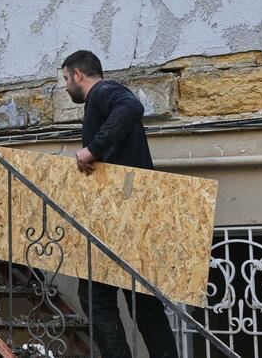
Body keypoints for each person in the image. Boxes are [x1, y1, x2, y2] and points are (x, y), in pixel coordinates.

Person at [61, 50, 178, 358]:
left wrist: (92, 149)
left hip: (119, 215)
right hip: (131, 213)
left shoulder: (102, 92)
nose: (65, 87)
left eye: (65, 79)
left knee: (95, 298)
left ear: (78, 75)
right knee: (144, 305)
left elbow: (132, 106)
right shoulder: (102, 99)